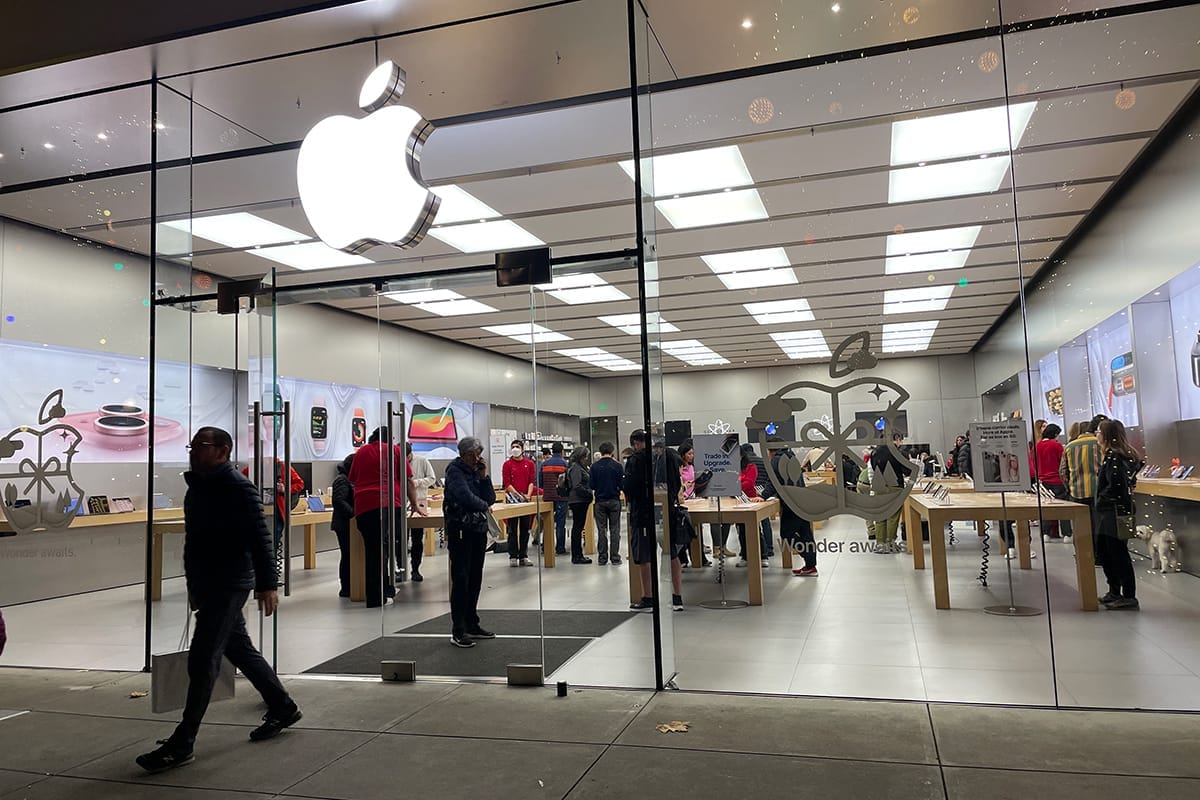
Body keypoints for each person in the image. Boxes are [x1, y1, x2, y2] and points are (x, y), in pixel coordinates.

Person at [136, 427, 301, 775]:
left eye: (201, 447)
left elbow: (260, 537)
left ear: (223, 451)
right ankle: (283, 706)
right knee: (238, 649)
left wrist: (267, 584)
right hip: (207, 583)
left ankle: (183, 742)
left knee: (203, 657)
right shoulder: (198, 487)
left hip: (229, 583)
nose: (193, 452)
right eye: (192, 446)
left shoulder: (238, 488)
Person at [348, 427, 423, 608]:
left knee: (373, 551)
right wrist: (414, 504)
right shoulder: (395, 451)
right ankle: (386, 590)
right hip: (389, 503)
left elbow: (353, 479)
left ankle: (375, 596)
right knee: (388, 548)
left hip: (365, 506)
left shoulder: (362, 452)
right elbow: (408, 481)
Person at [443, 436, 498, 646]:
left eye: (479, 454)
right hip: (461, 530)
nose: (478, 458)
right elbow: (464, 497)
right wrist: (483, 505)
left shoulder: (476, 470)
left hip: (478, 530)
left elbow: (490, 497)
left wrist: (484, 477)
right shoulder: (454, 471)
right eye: (474, 454)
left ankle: (472, 622)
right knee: (461, 578)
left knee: (475, 577)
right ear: (465, 454)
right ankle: (458, 630)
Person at [624, 429, 684, 612]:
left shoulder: (636, 460)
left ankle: (648, 597)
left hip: (642, 513)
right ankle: (677, 597)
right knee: (671, 552)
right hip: (665, 511)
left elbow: (629, 487)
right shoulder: (671, 457)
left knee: (644, 555)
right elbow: (676, 483)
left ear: (635, 443)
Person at [1094, 419, 1143, 610]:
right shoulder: (1117, 455)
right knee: (1106, 551)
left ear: (1106, 435)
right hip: (1114, 511)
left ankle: (1128, 596)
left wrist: (1102, 500)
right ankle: (1114, 591)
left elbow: (1117, 486)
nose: (1096, 435)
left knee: (1118, 553)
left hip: (1114, 512)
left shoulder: (1116, 457)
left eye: (1098, 431)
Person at [761, 438, 818, 577]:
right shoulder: (791, 456)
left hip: (791, 502)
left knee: (787, 535)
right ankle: (811, 566)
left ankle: (807, 557)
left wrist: (762, 496)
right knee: (806, 534)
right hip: (802, 499)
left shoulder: (776, 460)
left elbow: (772, 481)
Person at [1061, 418, 1103, 568]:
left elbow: (1063, 471)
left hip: (1077, 492)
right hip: (1099, 492)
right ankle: (1099, 557)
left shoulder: (1069, 447)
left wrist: (1069, 487)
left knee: (1080, 527)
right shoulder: (1099, 444)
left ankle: (1082, 555)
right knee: (1099, 525)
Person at [241, 457, 304, 550]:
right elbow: (240, 483)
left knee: (274, 543)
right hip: (256, 510)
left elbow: (300, 483)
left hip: (276, 512)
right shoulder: (251, 468)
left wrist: (284, 488)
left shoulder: (282, 467)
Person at [870, 432, 912, 553]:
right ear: (895, 439)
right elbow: (907, 470)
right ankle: (890, 543)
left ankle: (880, 544)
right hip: (895, 486)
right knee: (892, 516)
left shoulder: (874, 452)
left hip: (879, 487)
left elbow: (873, 468)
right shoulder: (896, 452)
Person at [406, 443, 438, 581]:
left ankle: (415, 569)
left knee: (417, 538)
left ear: (410, 454)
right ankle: (399, 568)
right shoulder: (396, 462)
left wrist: (417, 482)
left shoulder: (422, 461)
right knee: (400, 539)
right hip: (401, 504)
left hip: (419, 503)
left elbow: (432, 478)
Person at [502, 439, 537, 567]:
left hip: (526, 498)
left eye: (517, 446)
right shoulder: (507, 464)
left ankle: (523, 555)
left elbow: (531, 481)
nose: (515, 449)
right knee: (512, 529)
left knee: (525, 528)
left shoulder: (529, 463)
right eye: (513, 447)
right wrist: (517, 495)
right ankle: (512, 555)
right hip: (512, 499)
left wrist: (527, 495)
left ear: (522, 449)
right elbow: (507, 484)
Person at [589, 441, 624, 566]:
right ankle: (615, 557)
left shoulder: (594, 467)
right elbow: (622, 484)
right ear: (612, 451)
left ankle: (602, 558)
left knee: (601, 530)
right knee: (615, 529)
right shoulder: (618, 466)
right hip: (614, 500)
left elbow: (591, 485)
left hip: (600, 501)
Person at [1034, 423, 1069, 539]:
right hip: (1057, 481)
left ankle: (1046, 533)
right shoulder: (1057, 446)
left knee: (1046, 508)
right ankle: (1066, 534)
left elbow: (1034, 463)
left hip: (1043, 481)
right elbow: (1063, 463)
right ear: (1055, 434)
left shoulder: (1036, 446)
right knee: (1063, 508)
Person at [331, 453, 356, 598]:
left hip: (347, 523)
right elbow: (339, 501)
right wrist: (353, 514)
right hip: (344, 525)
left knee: (349, 555)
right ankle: (346, 587)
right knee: (347, 555)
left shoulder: (348, 479)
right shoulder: (342, 480)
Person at [538, 442, 569, 555]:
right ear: (562, 452)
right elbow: (568, 481)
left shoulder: (544, 464)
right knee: (560, 523)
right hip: (561, 497)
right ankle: (560, 548)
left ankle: (545, 546)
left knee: (547, 522)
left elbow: (540, 482)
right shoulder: (565, 464)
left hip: (548, 497)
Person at [565, 446, 594, 564]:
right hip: (578, 501)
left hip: (579, 500)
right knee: (577, 528)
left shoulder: (577, 467)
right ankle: (577, 555)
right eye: (585, 456)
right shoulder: (576, 468)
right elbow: (577, 485)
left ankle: (577, 555)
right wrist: (588, 494)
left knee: (578, 527)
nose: (587, 458)